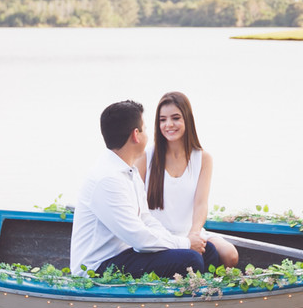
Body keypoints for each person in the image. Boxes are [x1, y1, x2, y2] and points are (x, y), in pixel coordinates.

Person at [70, 100, 221, 278]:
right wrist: (185, 243)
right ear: (136, 135)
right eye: (145, 128)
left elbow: (146, 219)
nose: (148, 134)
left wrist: (182, 242)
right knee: (190, 259)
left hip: (125, 254)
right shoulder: (107, 179)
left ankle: (199, 297)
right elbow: (139, 238)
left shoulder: (129, 171)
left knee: (208, 251)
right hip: (99, 266)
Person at [143, 91, 239, 268]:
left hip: (190, 231)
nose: (169, 125)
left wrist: (194, 234)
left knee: (230, 255)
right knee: (191, 258)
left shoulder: (203, 158)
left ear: (187, 119)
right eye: (162, 120)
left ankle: (212, 290)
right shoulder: (146, 157)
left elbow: (201, 203)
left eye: (175, 118)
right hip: (161, 236)